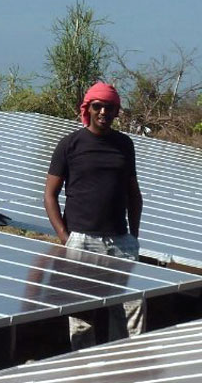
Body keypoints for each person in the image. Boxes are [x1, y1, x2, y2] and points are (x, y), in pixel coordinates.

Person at [44, 81, 144, 349]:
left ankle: (122, 366)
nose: (103, 112)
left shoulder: (124, 145)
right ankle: (84, 369)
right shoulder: (70, 144)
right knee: (81, 313)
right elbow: (50, 195)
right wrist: (66, 237)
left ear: (116, 111)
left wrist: (133, 236)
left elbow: (134, 194)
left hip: (120, 241)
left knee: (130, 308)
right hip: (82, 239)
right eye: (98, 106)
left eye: (109, 107)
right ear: (88, 108)